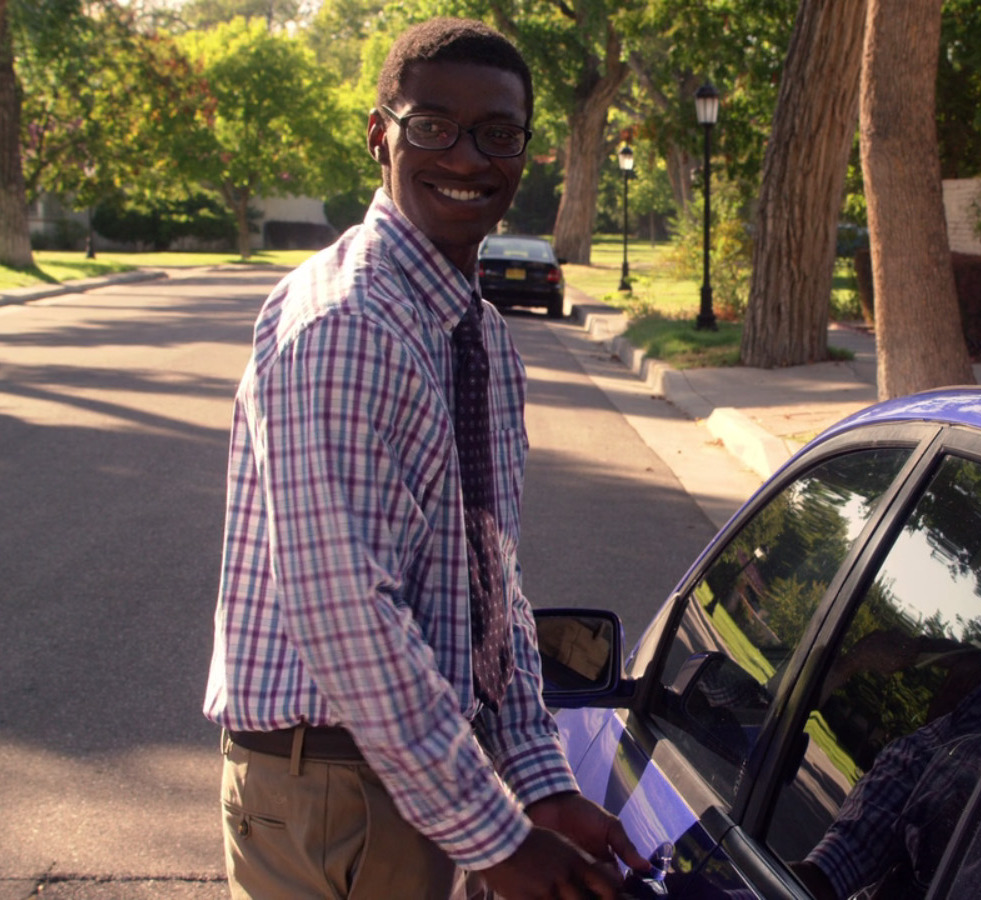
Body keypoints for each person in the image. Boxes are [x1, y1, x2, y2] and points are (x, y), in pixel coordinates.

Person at [203, 17, 648, 899]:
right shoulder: (349, 326)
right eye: (434, 127)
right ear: (380, 136)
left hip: (430, 774)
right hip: (337, 790)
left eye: (498, 134)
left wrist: (540, 782)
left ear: (525, 152)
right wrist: (500, 841)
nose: (468, 158)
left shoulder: (474, 333)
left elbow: (487, 586)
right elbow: (344, 614)